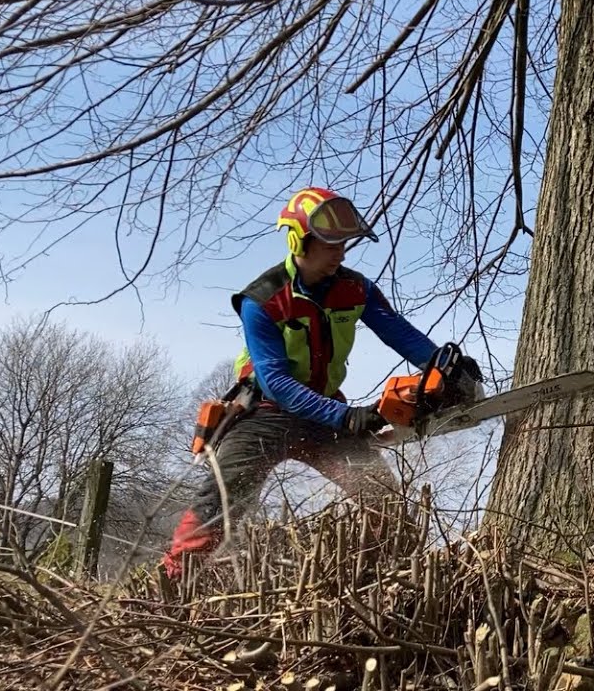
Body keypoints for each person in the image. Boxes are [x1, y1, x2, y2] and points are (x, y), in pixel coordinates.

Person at [161, 187, 481, 579]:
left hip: (327, 414)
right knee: (221, 499)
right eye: (330, 245)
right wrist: (345, 416)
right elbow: (275, 380)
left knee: (385, 501)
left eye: (344, 244)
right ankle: (173, 583)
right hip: (266, 413)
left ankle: (389, 581)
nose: (340, 254)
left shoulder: (355, 288)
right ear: (300, 240)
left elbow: (399, 333)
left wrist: (444, 367)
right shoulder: (261, 301)